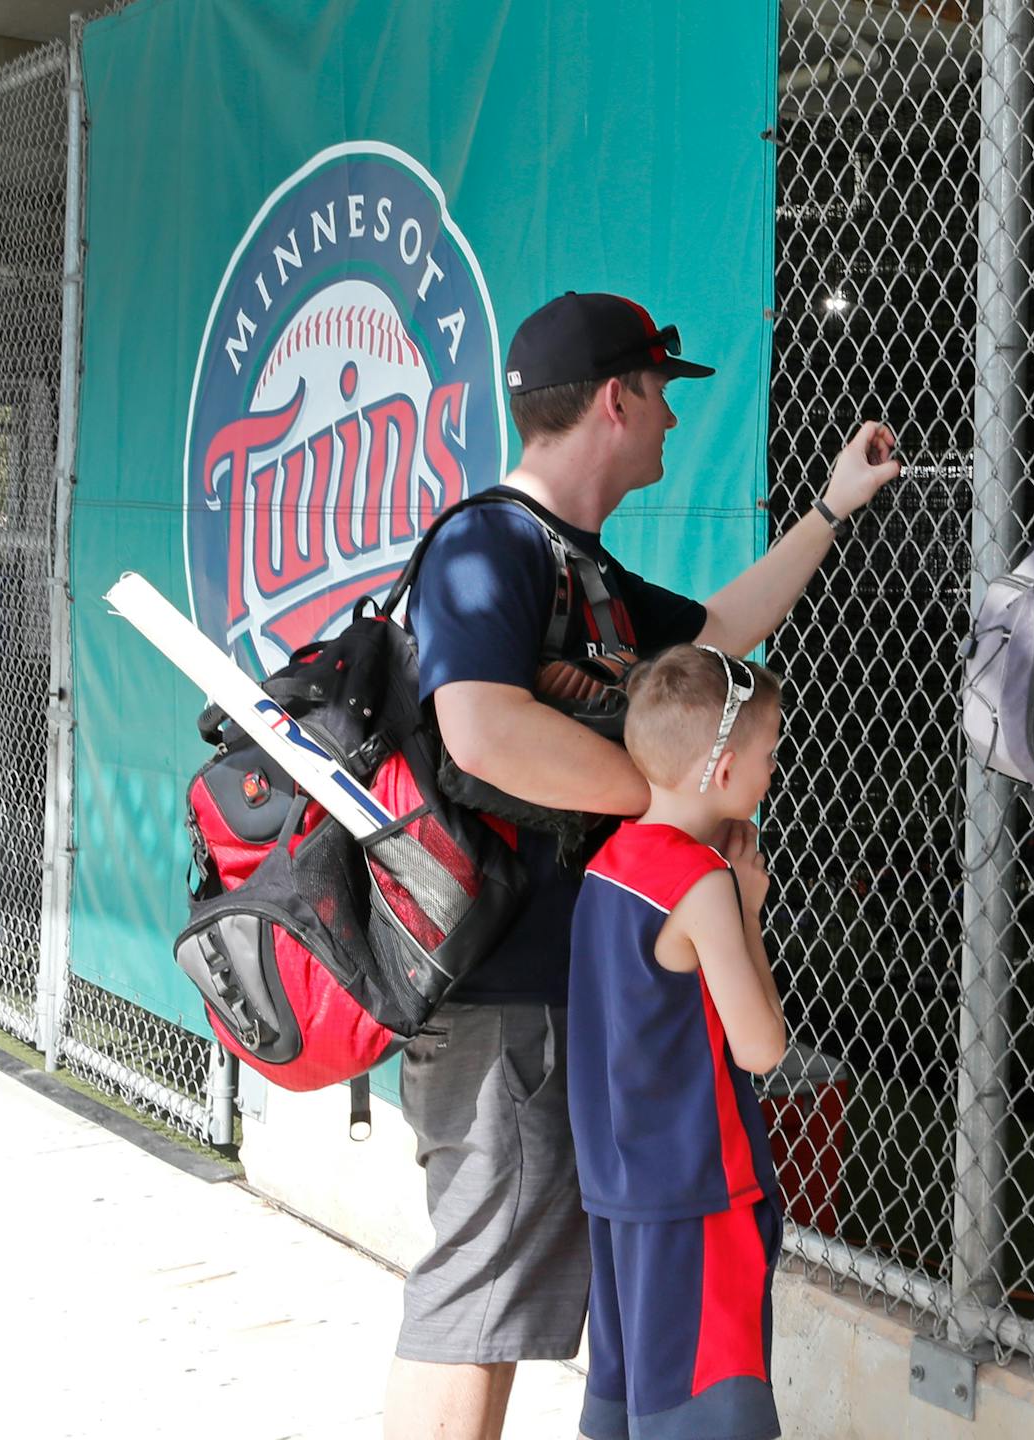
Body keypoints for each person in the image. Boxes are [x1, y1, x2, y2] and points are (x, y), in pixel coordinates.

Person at [385, 290, 899, 1440]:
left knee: (516, 1294)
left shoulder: (587, 565)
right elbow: (479, 726)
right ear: (615, 399)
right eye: (664, 395)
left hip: (552, 991)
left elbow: (716, 637)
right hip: (496, 990)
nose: (673, 420)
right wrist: (664, 803)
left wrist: (828, 509)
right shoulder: (493, 542)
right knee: (482, 1292)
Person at [568, 644, 788, 1440]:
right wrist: (752, 912)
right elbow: (762, 1047)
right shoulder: (701, 882)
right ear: (724, 773)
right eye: (768, 756)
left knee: (635, 1411)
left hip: (620, 1192)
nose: (773, 772)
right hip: (698, 1193)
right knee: (703, 1413)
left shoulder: (606, 862)